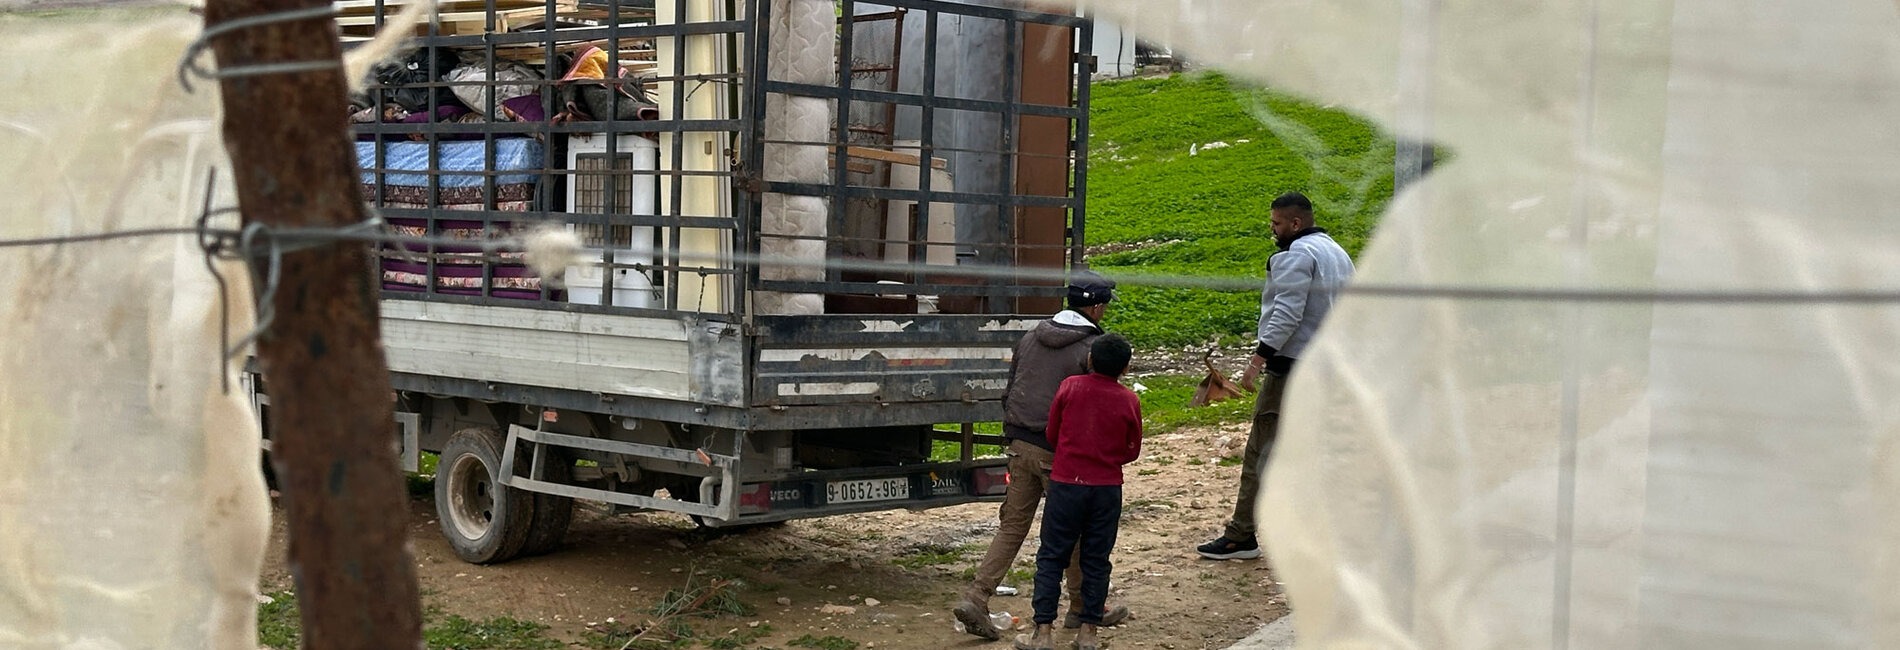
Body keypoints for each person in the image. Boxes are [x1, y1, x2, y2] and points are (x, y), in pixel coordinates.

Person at [954, 270, 1131, 640]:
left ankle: (977, 596)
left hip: (1020, 443)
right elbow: (1093, 406)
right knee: (1076, 531)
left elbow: (1010, 388)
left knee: (1012, 525)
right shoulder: (1091, 348)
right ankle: (1083, 608)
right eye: (1104, 306)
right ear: (1096, 308)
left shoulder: (1032, 336)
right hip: (1059, 454)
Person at [1197, 192, 1356, 560]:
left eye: (1276, 223)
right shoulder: (1336, 252)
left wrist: (1256, 362)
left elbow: (1287, 312)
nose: (1272, 230)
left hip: (1294, 369)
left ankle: (1241, 535)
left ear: (1295, 223)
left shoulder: (1297, 254)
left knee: (1261, 450)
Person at [1015, 334, 1142, 650]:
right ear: (1125, 368)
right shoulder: (1129, 400)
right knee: (1096, 560)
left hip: (1066, 484)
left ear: (1089, 360)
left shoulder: (1070, 387)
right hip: (1106, 489)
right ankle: (1088, 633)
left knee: (1051, 556)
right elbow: (1132, 449)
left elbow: (1052, 433)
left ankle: (1043, 632)